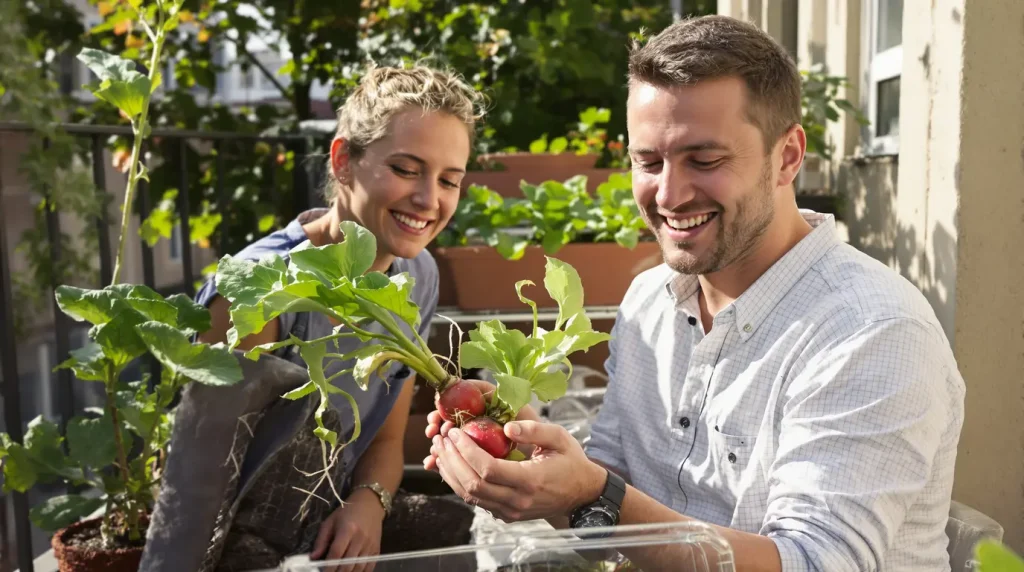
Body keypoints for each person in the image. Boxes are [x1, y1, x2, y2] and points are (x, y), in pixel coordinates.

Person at [424, 15, 965, 572]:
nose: (670, 193)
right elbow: (604, 497)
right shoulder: (648, 301)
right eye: (648, 162)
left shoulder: (869, 331)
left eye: (704, 160)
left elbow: (813, 562)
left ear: (787, 156)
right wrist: (523, 452)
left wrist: (593, 494)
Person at [141, 64, 483, 571]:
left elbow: (387, 439)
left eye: (449, 180)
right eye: (407, 169)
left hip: (331, 534)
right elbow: (189, 502)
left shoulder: (418, 273)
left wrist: (367, 503)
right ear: (343, 161)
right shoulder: (260, 293)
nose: (429, 199)